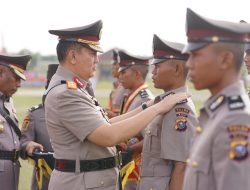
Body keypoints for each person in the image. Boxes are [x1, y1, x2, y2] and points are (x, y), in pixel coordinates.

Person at [44, 20, 189, 190]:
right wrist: (158, 108)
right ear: (73, 56)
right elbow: (108, 135)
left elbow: (105, 124)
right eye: (92, 53)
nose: (97, 60)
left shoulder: (74, 88)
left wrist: (147, 106)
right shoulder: (66, 93)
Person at [182, 8, 250, 190]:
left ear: (225, 60)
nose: (188, 64)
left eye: (196, 55)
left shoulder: (235, 119)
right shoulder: (217, 111)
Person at [137, 34, 198, 190]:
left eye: (157, 66)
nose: (153, 72)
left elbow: (182, 166)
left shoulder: (179, 109)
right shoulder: (165, 103)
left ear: (177, 69)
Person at [117, 49, 154, 190]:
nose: (120, 76)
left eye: (123, 72)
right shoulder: (132, 95)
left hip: (136, 167)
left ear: (137, 74)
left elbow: (150, 138)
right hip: (127, 164)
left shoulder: (145, 99)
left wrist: (129, 149)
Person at [20, 63, 59, 190]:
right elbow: (22, 141)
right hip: (44, 182)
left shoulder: (80, 113)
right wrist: (28, 145)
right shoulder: (35, 114)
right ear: (48, 87)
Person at [0, 53, 35, 190]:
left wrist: (26, 146)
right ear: (1, 72)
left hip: (11, 176)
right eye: (16, 78)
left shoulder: (8, 101)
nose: (19, 84)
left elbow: (8, 140)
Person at [105, 49, 128, 118]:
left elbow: (124, 115)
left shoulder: (126, 87)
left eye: (115, 64)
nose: (112, 67)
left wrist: (107, 113)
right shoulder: (116, 85)